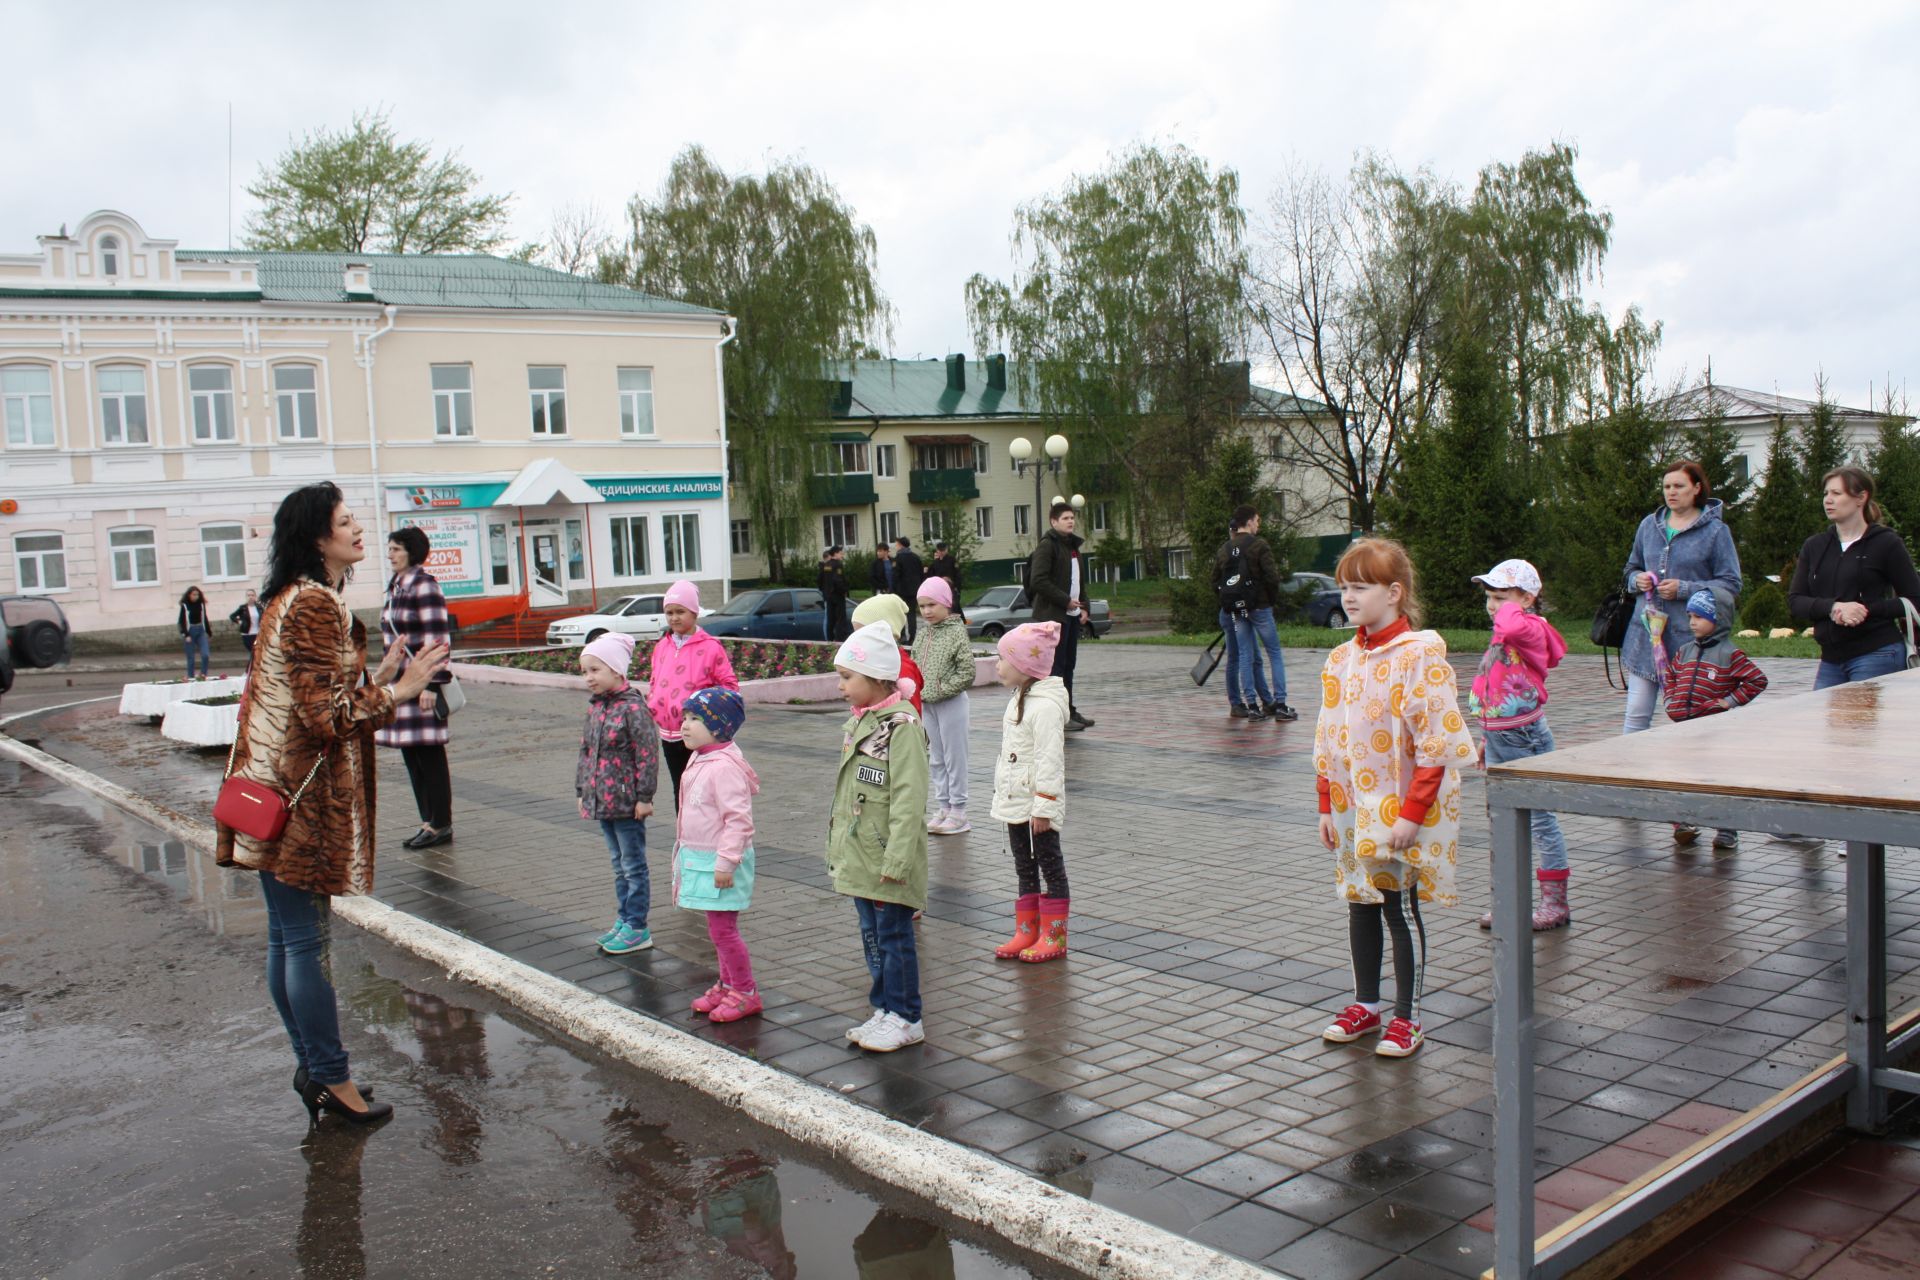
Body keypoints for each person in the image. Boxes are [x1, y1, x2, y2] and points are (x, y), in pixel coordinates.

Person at [215, 480, 448, 1127]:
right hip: (301, 802)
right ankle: (331, 1077)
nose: (359, 531)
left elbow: (310, 698)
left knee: (288, 940)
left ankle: (316, 1068)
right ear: (317, 536)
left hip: (272, 791)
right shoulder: (314, 605)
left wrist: (373, 678)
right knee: (305, 945)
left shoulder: (290, 600)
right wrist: (400, 690)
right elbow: (325, 718)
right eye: (346, 522)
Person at [1314, 538, 1475, 1059]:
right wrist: (1325, 803)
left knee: (1397, 906)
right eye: (1344, 587)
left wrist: (1412, 814)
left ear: (1395, 592)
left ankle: (1408, 1015)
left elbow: (1436, 744)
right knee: (1360, 901)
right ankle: (1366, 1002)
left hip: (1400, 808)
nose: (1349, 596)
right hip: (1352, 806)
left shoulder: (1420, 656)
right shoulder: (1341, 659)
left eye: (1361, 586)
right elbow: (1328, 736)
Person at [829, 620, 931, 1053]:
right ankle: (884, 1008)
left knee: (893, 939)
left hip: (888, 859)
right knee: (872, 938)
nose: (841, 687)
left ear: (875, 677)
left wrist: (896, 860)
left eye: (847, 677)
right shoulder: (860, 723)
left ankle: (907, 1016)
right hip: (861, 856)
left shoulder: (901, 727)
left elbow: (909, 799)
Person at [1467, 559, 1572, 931]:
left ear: (1527, 598)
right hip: (1501, 735)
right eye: (1489, 597)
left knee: (1540, 820)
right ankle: (1511, 901)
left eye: (1501, 596)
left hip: (1523, 735)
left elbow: (1511, 622)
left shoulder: (1525, 627)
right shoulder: (1508, 631)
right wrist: (1486, 735)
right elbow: (1494, 685)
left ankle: (1554, 903)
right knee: (1502, 821)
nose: (1493, 605)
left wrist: (1513, 607)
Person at [1621, 460, 1742, 733]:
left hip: (1691, 641)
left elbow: (1731, 584)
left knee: (1695, 719)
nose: (1671, 492)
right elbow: (1631, 568)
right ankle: (1629, 770)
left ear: (1696, 488)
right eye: (1666, 486)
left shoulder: (1716, 532)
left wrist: (1684, 589)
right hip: (1646, 639)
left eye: (1679, 486)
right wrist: (1636, 580)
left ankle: (1694, 770)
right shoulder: (1648, 526)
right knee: (1636, 715)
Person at [1789, 466, 1920, 690]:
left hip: (1877, 653)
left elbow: (1915, 599)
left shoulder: (1886, 543)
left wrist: (1866, 610)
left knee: (1860, 724)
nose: (1828, 500)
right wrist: (1833, 608)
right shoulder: (1815, 545)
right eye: (1826, 494)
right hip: (1830, 660)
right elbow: (1795, 601)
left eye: (1837, 494)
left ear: (1861, 497)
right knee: (1824, 722)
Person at [677, 687, 762, 1023]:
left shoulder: (723, 767)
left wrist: (726, 862)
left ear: (720, 726)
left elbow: (738, 821)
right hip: (704, 860)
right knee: (718, 930)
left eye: (695, 718)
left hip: (722, 863)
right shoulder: (702, 756)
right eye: (684, 717)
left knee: (723, 931)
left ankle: (746, 991)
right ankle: (728, 984)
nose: (685, 725)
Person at [988, 621, 1071, 962]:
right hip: (1016, 800)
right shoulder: (1019, 699)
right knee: (1024, 865)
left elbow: (1050, 761)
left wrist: (1045, 807)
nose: (997, 665)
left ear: (1024, 665)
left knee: (1049, 865)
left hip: (1038, 807)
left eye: (1002, 658)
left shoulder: (1046, 706)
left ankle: (1054, 936)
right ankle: (1027, 930)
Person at [1664, 588, 1769, 850]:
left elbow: (1757, 680)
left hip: (1713, 731)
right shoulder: (1684, 651)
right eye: (1690, 616)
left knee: (1717, 780)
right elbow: (1670, 675)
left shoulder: (1729, 654)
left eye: (1699, 616)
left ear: (1718, 618)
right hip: (1682, 729)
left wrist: (1728, 701)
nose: (1692, 622)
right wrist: (1669, 700)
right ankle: (1683, 824)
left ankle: (1727, 830)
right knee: (1679, 777)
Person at [578, 631, 660, 956]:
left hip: (627, 802)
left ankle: (638, 927)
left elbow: (647, 754)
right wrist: (581, 788)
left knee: (633, 865)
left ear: (616, 671)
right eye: (584, 671)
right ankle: (624, 919)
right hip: (602, 800)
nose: (588, 678)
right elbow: (586, 751)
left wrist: (645, 796)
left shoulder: (632, 709)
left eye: (595, 670)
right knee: (618, 863)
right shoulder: (597, 708)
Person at [375, 525, 456, 850]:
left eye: (396, 548)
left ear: (412, 551)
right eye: (390, 548)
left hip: (423, 681)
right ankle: (427, 820)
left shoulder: (424, 586)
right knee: (412, 753)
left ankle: (441, 823)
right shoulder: (396, 587)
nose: (390, 554)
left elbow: (439, 638)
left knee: (429, 753)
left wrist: (433, 685)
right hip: (402, 682)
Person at [646, 580, 740, 808]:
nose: (674, 618)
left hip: (698, 733)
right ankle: (686, 837)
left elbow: (729, 687)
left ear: (694, 612)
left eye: (680, 611)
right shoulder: (662, 646)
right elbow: (655, 680)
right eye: (669, 612)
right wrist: (653, 703)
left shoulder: (710, 647)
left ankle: (706, 835)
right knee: (680, 788)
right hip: (668, 734)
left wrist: (706, 714)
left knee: (700, 790)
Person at [1210, 505, 1296, 721]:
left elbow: (1215, 581)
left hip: (1237, 611)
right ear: (1248, 522)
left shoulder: (1224, 549)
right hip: (1260, 607)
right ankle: (1281, 704)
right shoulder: (1259, 545)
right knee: (1273, 652)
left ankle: (1252, 707)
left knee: (1245, 656)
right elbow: (1272, 577)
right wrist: (1269, 601)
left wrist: (1229, 601)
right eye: (1257, 520)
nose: (1258, 524)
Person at [912, 576, 973, 835]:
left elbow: (967, 671)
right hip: (928, 705)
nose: (926, 611)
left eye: (932, 605)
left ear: (946, 603)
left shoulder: (956, 631)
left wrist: (940, 690)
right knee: (936, 757)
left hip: (951, 703)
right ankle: (944, 807)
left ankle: (959, 811)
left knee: (954, 756)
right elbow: (915, 663)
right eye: (922, 606)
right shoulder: (923, 632)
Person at [1026, 502, 1094, 731]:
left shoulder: (1072, 546)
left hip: (1072, 616)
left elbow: (1078, 581)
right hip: (1053, 617)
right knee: (1055, 669)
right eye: (1065, 518)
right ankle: (1058, 716)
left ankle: (1069, 710)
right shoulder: (1048, 546)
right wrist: (1065, 600)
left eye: (1072, 518)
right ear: (1053, 522)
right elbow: (1038, 580)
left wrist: (1085, 607)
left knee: (1068, 666)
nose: (1070, 521)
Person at [851, 592, 924, 715]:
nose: (857, 638)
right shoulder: (875, 661)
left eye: (863, 632)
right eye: (855, 632)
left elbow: (912, 713)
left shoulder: (900, 667)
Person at [891, 537, 924, 640]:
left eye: (896, 544)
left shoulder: (898, 558)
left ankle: (902, 636)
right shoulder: (915, 557)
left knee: (900, 613)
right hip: (914, 590)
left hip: (901, 591)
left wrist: (893, 590)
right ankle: (913, 636)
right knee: (911, 613)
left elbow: (895, 576)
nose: (896, 546)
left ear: (901, 545)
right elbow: (921, 574)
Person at [178, 584, 212, 679]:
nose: (195, 597)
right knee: (191, 657)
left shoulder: (201, 604)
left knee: (205, 654)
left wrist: (209, 632)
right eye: (193, 595)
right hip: (190, 631)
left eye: (197, 595)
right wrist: (186, 634)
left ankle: (203, 674)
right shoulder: (185, 606)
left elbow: (204, 618)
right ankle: (191, 676)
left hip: (201, 629)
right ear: (189, 595)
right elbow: (181, 621)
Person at [819, 545, 852, 641]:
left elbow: (820, 580)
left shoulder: (826, 565)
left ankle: (829, 639)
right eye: (841, 553)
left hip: (829, 596)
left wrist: (825, 591)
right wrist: (844, 590)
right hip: (838, 596)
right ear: (836, 554)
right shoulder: (837, 565)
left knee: (830, 619)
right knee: (841, 619)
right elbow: (838, 580)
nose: (842, 555)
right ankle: (841, 640)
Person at [230, 588, 265, 655]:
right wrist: (239, 621)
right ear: (246, 597)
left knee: (256, 651)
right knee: (252, 651)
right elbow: (232, 616)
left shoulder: (259, 608)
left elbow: (264, 617)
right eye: (248, 595)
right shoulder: (243, 608)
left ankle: (253, 665)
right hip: (247, 634)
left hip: (257, 634)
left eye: (252, 595)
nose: (250, 597)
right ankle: (252, 665)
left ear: (255, 597)